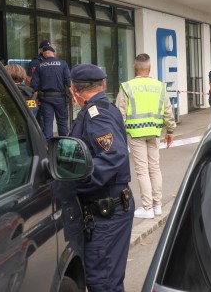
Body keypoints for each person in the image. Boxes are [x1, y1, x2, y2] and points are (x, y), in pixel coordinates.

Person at [68, 64, 134, 292]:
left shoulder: (97, 114)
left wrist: (76, 183)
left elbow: (113, 154)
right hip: (109, 207)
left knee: (102, 283)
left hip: (106, 211)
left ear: (73, 91)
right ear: (104, 84)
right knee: (105, 281)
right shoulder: (103, 108)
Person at [116, 53, 176, 219]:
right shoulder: (160, 86)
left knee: (142, 170)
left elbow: (119, 114)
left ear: (135, 67)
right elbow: (168, 112)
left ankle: (147, 207)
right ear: (149, 68)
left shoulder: (127, 87)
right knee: (155, 168)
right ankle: (157, 206)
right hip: (154, 133)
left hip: (135, 133)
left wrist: (119, 136)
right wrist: (170, 132)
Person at [30, 45, 71, 139]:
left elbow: (34, 85)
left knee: (47, 123)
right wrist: (74, 97)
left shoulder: (39, 66)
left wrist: (35, 100)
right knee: (62, 123)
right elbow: (68, 82)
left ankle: (48, 148)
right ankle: (64, 145)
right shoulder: (63, 63)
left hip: (45, 99)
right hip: (60, 98)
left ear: (44, 55)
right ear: (53, 53)